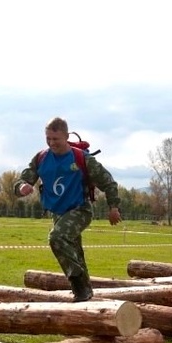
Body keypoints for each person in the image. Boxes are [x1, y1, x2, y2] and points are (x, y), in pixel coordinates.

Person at [15, 117, 122, 301]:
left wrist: (114, 207)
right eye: (48, 138)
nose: (51, 143)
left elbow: (108, 182)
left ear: (66, 136)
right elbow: (22, 180)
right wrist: (22, 187)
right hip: (58, 213)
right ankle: (86, 296)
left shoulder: (82, 159)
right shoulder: (41, 158)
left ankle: (77, 284)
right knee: (75, 252)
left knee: (57, 237)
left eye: (55, 139)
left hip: (80, 210)